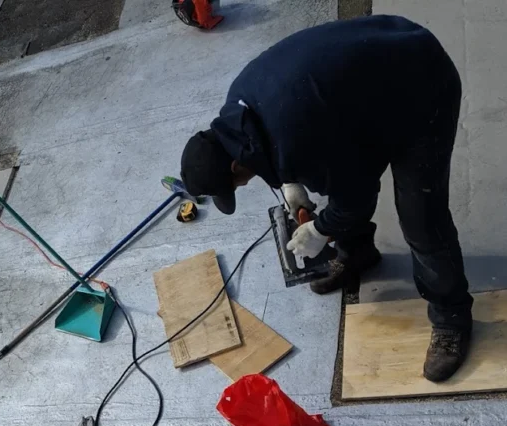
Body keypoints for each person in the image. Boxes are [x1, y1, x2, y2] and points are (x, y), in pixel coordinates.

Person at [179, 15, 472, 382]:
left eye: (235, 185)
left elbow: (357, 195)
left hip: (421, 86)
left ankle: (452, 318)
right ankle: (358, 252)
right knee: (337, 172)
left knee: (420, 216)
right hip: (381, 63)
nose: (239, 189)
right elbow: (336, 160)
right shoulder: (239, 109)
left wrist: (320, 229)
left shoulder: (292, 138)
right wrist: (289, 182)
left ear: (236, 165)